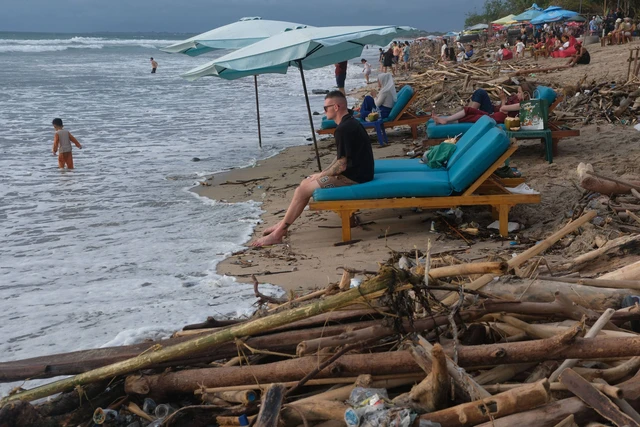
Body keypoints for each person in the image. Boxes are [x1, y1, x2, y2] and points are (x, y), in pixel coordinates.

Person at [253, 91, 373, 247]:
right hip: (359, 172)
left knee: (302, 191)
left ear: (336, 107)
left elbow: (341, 165)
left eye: (326, 107)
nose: (324, 111)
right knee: (304, 184)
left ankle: (278, 233)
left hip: (354, 178)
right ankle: (282, 224)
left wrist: (321, 177)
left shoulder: (343, 129)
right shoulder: (349, 122)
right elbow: (341, 159)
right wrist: (321, 174)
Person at [432, 83, 534, 125]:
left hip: (494, 117)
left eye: (519, 92)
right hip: (495, 114)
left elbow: (503, 109)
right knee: (479, 93)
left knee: (470, 111)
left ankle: (446, 120)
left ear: (525, 95)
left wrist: (503, 99)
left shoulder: (521, 105)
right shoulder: (520, 103)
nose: (517, 94)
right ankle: (447, 119)